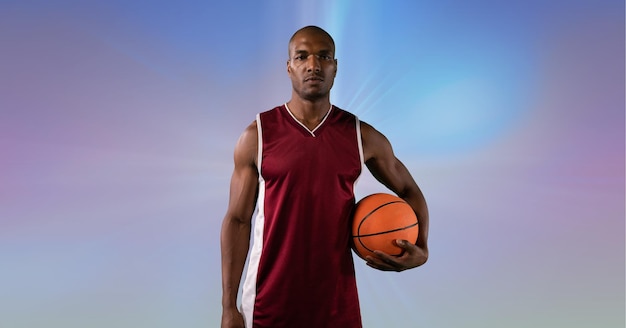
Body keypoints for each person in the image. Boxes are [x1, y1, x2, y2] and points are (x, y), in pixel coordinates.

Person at [220, 25, 429, 328]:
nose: (313, 65)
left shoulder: (361, 136)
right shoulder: (258, 135)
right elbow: (237, 220)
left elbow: (409, 188)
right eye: (302, 56)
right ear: (289, 67)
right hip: (268, 301)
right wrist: (228, 307)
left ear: (335, 67)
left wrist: (421, 247)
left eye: (324, 56)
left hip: (337, 305)